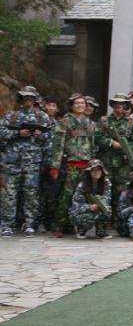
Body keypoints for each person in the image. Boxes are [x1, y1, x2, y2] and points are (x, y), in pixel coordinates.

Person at [1, 86, 52, 237]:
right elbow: (1, 132)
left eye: (30, 98)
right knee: (9, 194)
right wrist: (18, 133)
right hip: (12, 161)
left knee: (31, 194)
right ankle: (7, 225)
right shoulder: (12, 115)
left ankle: (30, 224)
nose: (28, 100)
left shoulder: (42, 117)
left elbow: (50, 137)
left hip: (32, 162)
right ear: (21, 99)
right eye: (25, 98)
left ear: (34, 100)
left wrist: (40, 134)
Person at [49, 93, 97, 235]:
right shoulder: (64, 122)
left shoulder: (90, 124)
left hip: (86, 166)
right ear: (71, 106)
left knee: (83, 196)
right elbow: (58, 145)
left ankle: (73, 224)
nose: (80, 105)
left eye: (82, 103)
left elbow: (93, 145)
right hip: (70, 165)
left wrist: (94, 164)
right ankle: (58, 225)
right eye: (77, 103)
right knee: (66, 196)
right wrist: (55, 167)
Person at [68, 159, 113, 239]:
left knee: (107, 212)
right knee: (87, 217)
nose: (96, 172)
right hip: (83, 212)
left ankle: (101, 230)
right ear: (89, 172)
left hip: (98, 209)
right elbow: (76, 205)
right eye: (93, 170)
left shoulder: (106, 183)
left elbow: (107, 199)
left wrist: (100, 206)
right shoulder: (82, 185)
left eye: (99, 170)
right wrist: (89, 207)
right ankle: (81, 229)